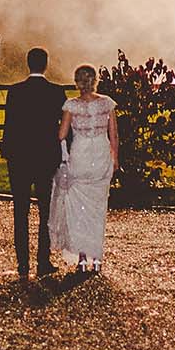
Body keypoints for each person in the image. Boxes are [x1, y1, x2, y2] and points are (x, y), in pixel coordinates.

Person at [2, 46, 68, 280]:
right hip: (45, 158)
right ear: (45, 64)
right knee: (45, 212)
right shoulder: (57, 92)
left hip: (20, 158)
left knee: (20, 212)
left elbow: (9, 126)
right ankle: (42, 261)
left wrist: (7, 152)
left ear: (28, 64)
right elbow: (63, 129)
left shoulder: (15, 92)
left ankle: (22, 264)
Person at [48, 63, 118, 272]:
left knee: (79, 210)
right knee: (98, 211)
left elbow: (61, 135)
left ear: (78, 82)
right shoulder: (107, 104)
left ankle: (81, 259)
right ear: (95, 80)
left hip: (80, 157)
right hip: (100, 156)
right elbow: (113, 135)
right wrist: (115, 159)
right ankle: (96, 259)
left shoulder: (71, 105)